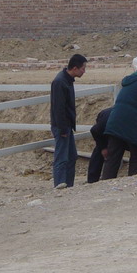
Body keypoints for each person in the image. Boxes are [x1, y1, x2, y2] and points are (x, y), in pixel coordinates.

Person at [50, 53, 87, 189]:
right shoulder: (60, 82)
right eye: (83, 68)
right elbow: (58, 108)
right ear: (75, 68)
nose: (84, 71)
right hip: (62, 127)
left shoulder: (66, 80)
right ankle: (60, 184)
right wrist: (63, 128)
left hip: (66, 126)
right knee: (62, 157)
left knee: (71, 156)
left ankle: (68, 185)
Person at [86, 106, 115, 183]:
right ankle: (93, 179)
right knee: (99, 150)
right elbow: (94, 131)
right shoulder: (101, 126)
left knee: (110, 149)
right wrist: (103, 147)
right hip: (107, 124)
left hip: (109, 122)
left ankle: (94, 179)